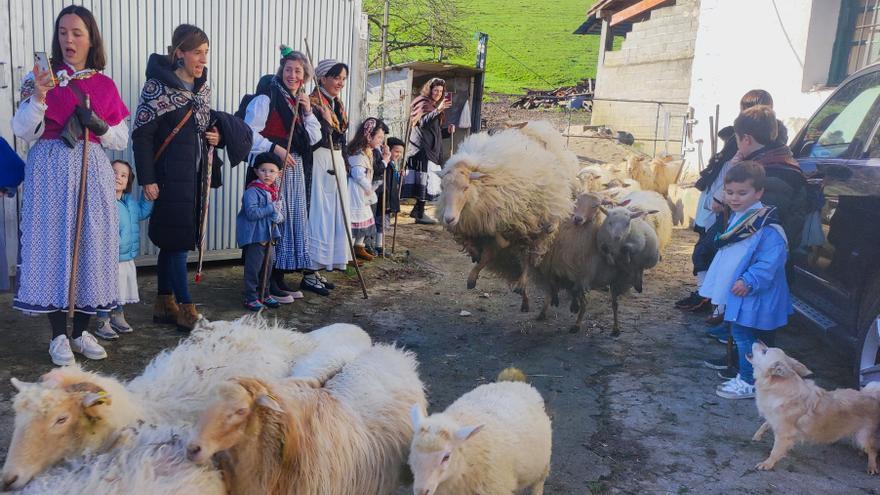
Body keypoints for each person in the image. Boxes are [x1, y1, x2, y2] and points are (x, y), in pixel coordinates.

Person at [11, 5, 129, 365]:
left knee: (90, 246)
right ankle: (58, 337)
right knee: (53, 246)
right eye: (63, 32)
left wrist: (98, 124)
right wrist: (38, 97)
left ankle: (80, 332)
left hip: (91, 168)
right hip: (50, 169)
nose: (69, 40)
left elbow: (120, 138)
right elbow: (23, 130)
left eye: (77, 33)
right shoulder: (40, 78)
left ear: (91, 39)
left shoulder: (104, 84)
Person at [133, 24, 252, 332]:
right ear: (179, 53)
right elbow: (142, 136)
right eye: (197, 52)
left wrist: (217, 136)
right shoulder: (156, 88)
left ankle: (164, 304)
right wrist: (147, 179)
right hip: (168, 177)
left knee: (171, 241)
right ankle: (186, 309)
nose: (203, 59)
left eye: (206, 52)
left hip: (194, 177)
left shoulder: (201, 89)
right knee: (176, 243)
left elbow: (201, 127)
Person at [678, 90, 789, 314]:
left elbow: (749, 197)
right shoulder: (769, 153)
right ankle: (717, 305)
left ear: (745, 139)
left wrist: (726, 198)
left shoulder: (763, 165)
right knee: (714, 255)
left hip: (746, 227)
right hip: (738, 220)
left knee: (724, 260)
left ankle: (717, 306)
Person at [698, 161, 792, 399]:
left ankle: (749, 381)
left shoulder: (765, 225)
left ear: (758, 193)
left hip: (755, 294)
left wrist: (749, 281)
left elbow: (770, 261)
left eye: (742, 193)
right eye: (729, 192)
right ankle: (758, 378)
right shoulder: (740, 218)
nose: (734, 198)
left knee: (745, 336)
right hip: (743, 294)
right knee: (753, 338)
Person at [243, 45, 320, 303]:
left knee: (288, 223)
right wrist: (275, 148)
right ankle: (265, 283)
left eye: (298, 71)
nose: (292, 75)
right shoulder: (268, 96)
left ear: (305, 75)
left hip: (294, 170)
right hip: (271, 170)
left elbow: (314, 138)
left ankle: (278, 279)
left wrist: (308, 111)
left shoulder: (300, 101)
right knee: (271, 223)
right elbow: (248, 133)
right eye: (288, 69)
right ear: (281, 71)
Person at [307, 59, 352, 293]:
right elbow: (312, 139)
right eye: (336, 77)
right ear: (322, 78)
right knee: (319, 212)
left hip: (336, 160)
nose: (340, 82)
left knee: (333, 212)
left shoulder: (337, 105)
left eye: (343, 79)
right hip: (320, 160)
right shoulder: (312, 103)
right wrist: (324, 122)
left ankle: (319, 267)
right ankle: (309, 270)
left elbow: (341, 136)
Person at [93, 160, 153, 340]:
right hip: (108, 258)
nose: (117, 177)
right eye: (114, 172)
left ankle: (117, 316)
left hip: (126, 257)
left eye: (123, 175)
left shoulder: (130, 203)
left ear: (128, 182)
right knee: (106, 290)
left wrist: (147, 198)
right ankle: (102, 320)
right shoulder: (103, 202)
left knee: (120, 289)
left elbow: (141, 213)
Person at [402, 77, 454, 224]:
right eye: (436, 90)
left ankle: (417, 211)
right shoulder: (423, 103)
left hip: (428, 150)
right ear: (429, 90)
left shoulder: (431, 105)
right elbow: (423, 122)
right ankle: (418, 213)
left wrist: (447, 131)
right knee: (424, 181)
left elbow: (433, 132)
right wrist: (438, 110)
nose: (438, 93)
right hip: (421, 150)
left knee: (426, 181)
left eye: (441, 91)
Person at [237, 152, 284, 311]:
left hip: (269, 236)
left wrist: (278, 216)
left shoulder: (274, 191)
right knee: (253, 268)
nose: (267, 174)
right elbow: (252, 214)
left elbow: (277, 214)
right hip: (255, 237)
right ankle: (251, 297)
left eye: (272, 171)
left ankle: (265, 293)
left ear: (279, 174)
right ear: (256, 171)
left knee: (267, 267)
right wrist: (271, 208)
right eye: (263, 170)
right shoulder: (252, 191)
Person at [346, 118, 389, 264]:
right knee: (355, 220)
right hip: (355, 192)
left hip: (362, 192)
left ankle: (359, 246)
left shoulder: (368, 151)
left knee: (365, 218)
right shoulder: (358, 152)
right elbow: (357, 174)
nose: (381, 141)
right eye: (379, 137)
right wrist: (369, 188)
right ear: (369, 136)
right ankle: (348, 253)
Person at [371, 136, 403, 255]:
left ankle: (380, 244)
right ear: (389, 150)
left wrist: (400, 175)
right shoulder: (385, 164)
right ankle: (378, 245)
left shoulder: (393, 165)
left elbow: (394, 181)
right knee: (380, 222)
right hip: (383, 197)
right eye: (396, 151)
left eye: (400, 152)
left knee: (384, 222)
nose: (398, 154)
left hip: (389, 198)